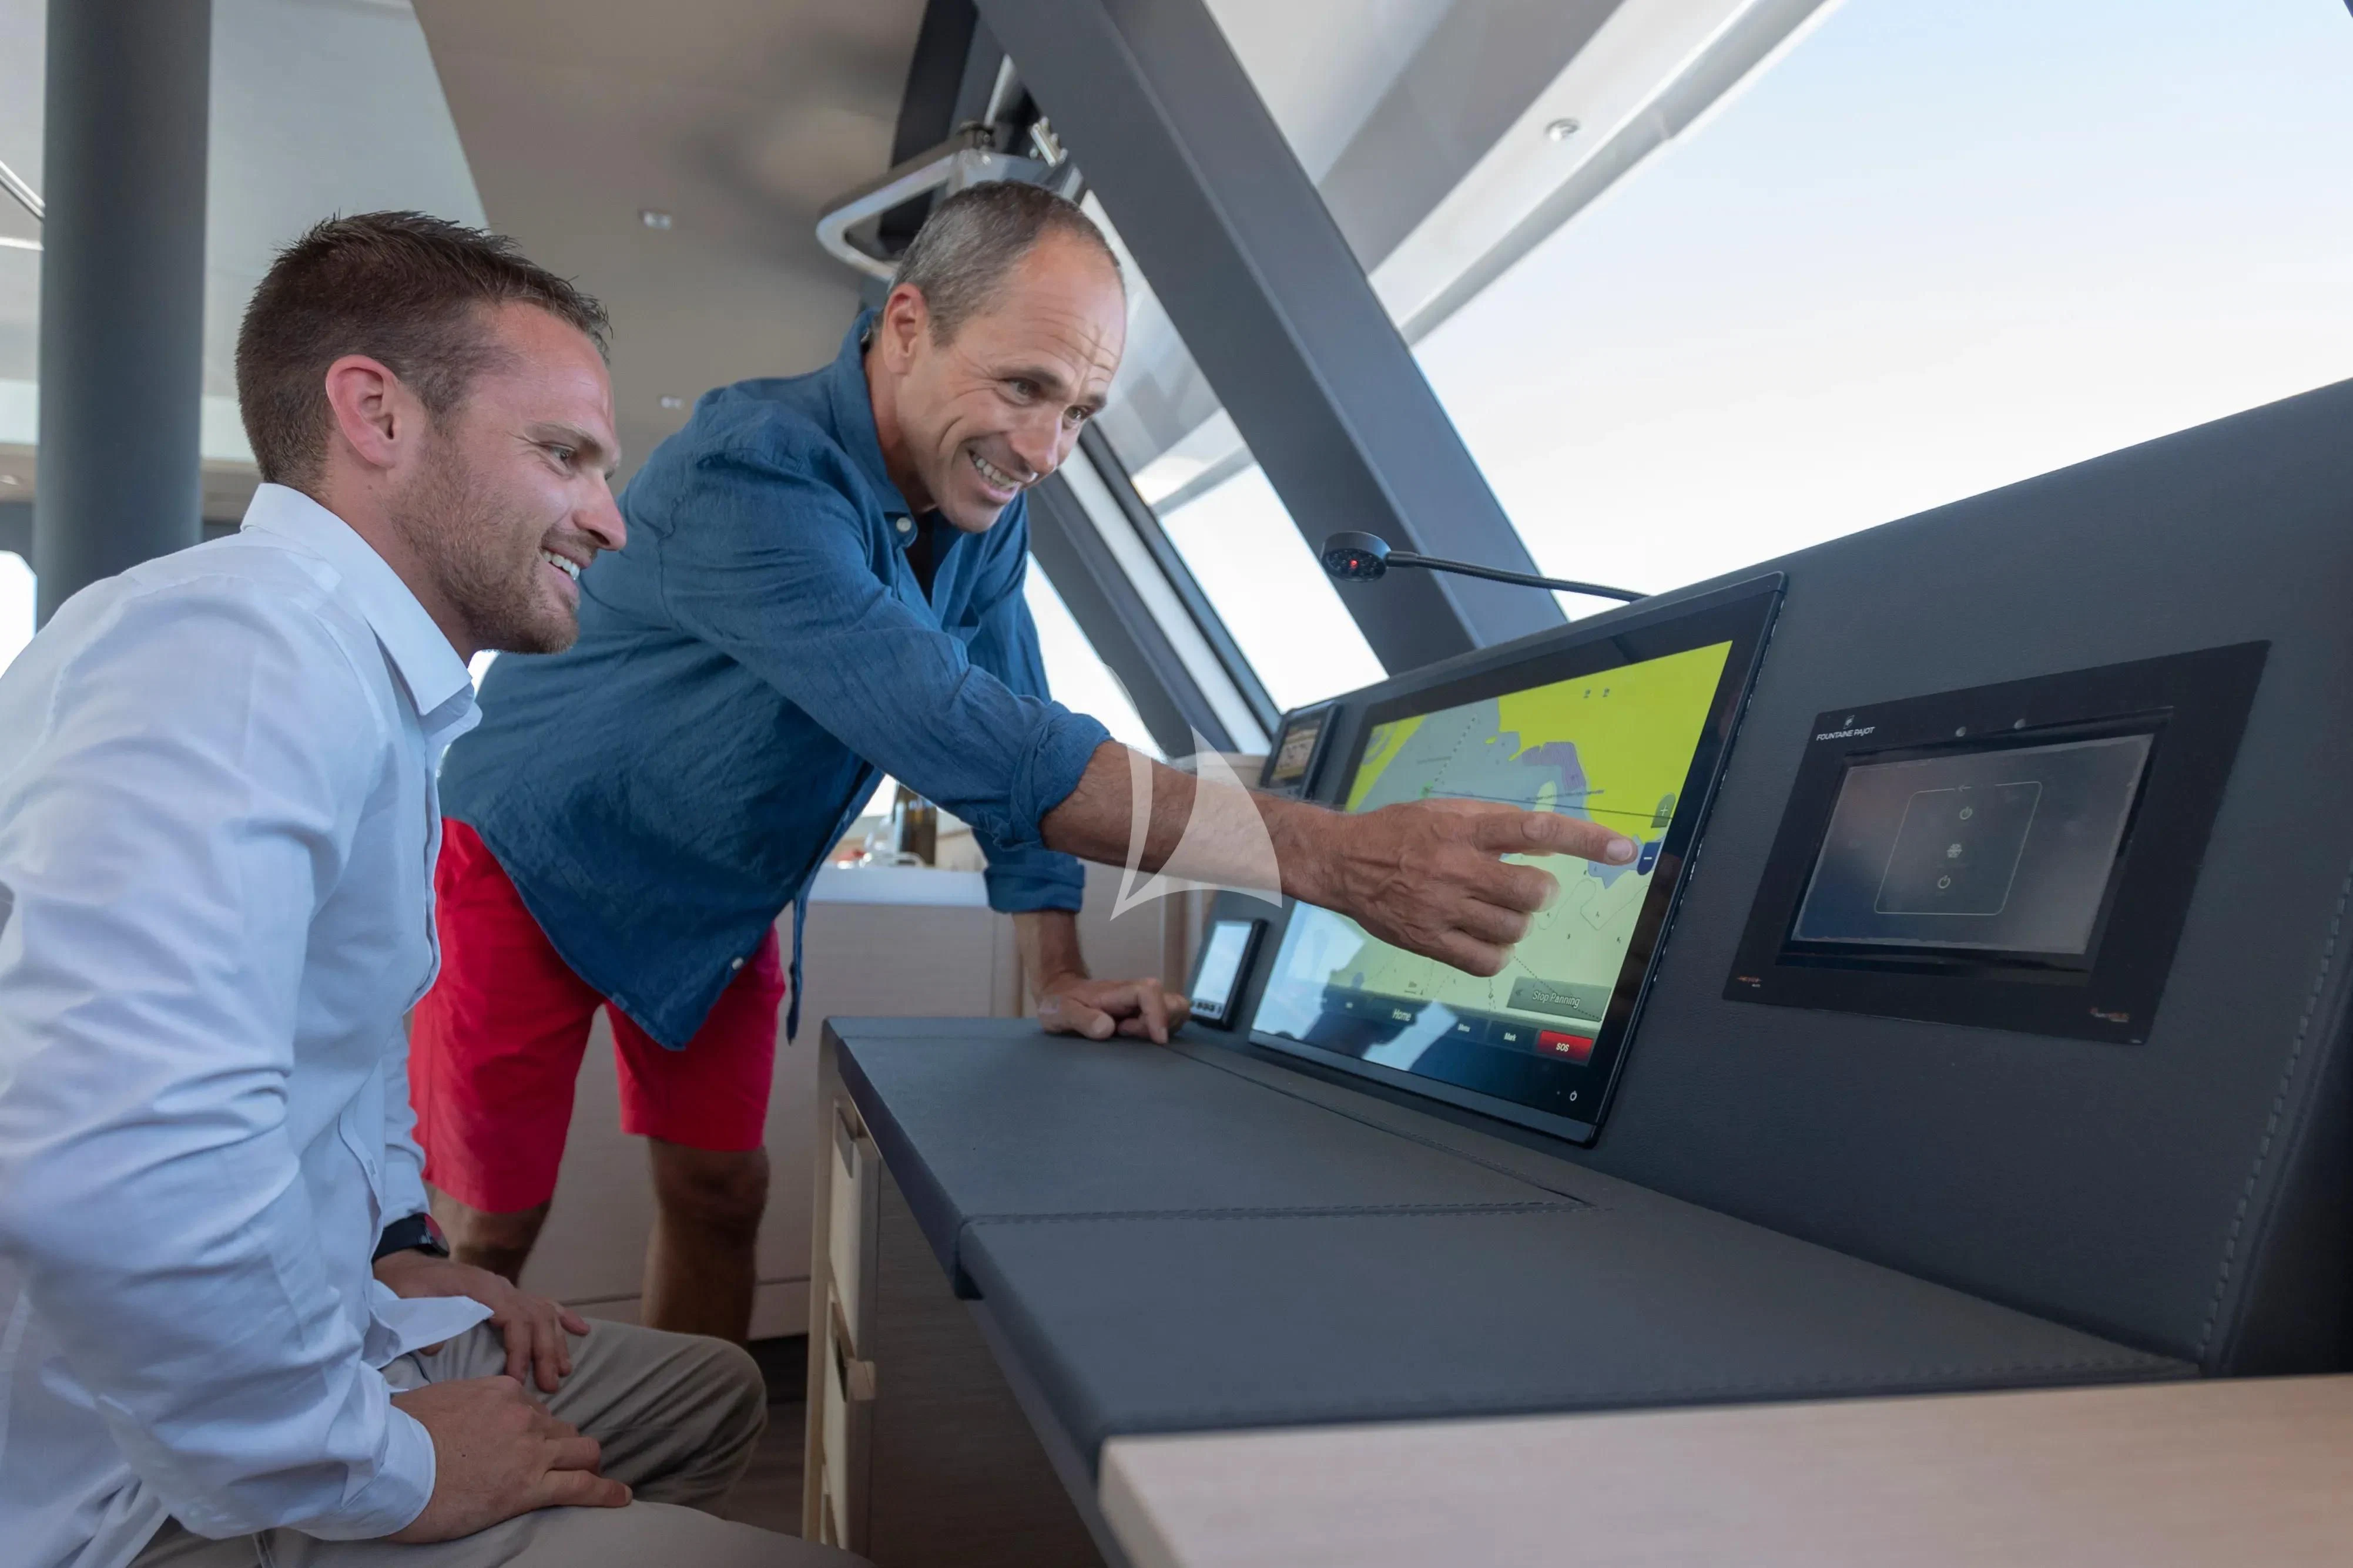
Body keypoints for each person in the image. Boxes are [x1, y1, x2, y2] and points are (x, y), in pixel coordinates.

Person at [415, 182, 1641, 1335]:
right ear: (907, 325)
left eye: (1080, 412)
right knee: (490, 1227)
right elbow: (960, 732)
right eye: (1023, 387)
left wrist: (1057, 965)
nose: (1047, 449)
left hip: (721, 890)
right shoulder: (752, 474)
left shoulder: (977, 498)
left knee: (724, 1192)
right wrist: (1337, 858)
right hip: (532, 850)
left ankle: (680, 1480)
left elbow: (1014, 704)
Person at [0, 213, 857, 1568]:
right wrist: (382, 1462)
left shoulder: (381, 694)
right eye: (563, 455)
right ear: (376, 414)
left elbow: (341, 1057)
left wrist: (402, 1244)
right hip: (139, 1477)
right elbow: (113, 1160)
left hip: (328, 1331)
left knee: (712, 1388)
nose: (608, 518)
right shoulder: (243, 648)